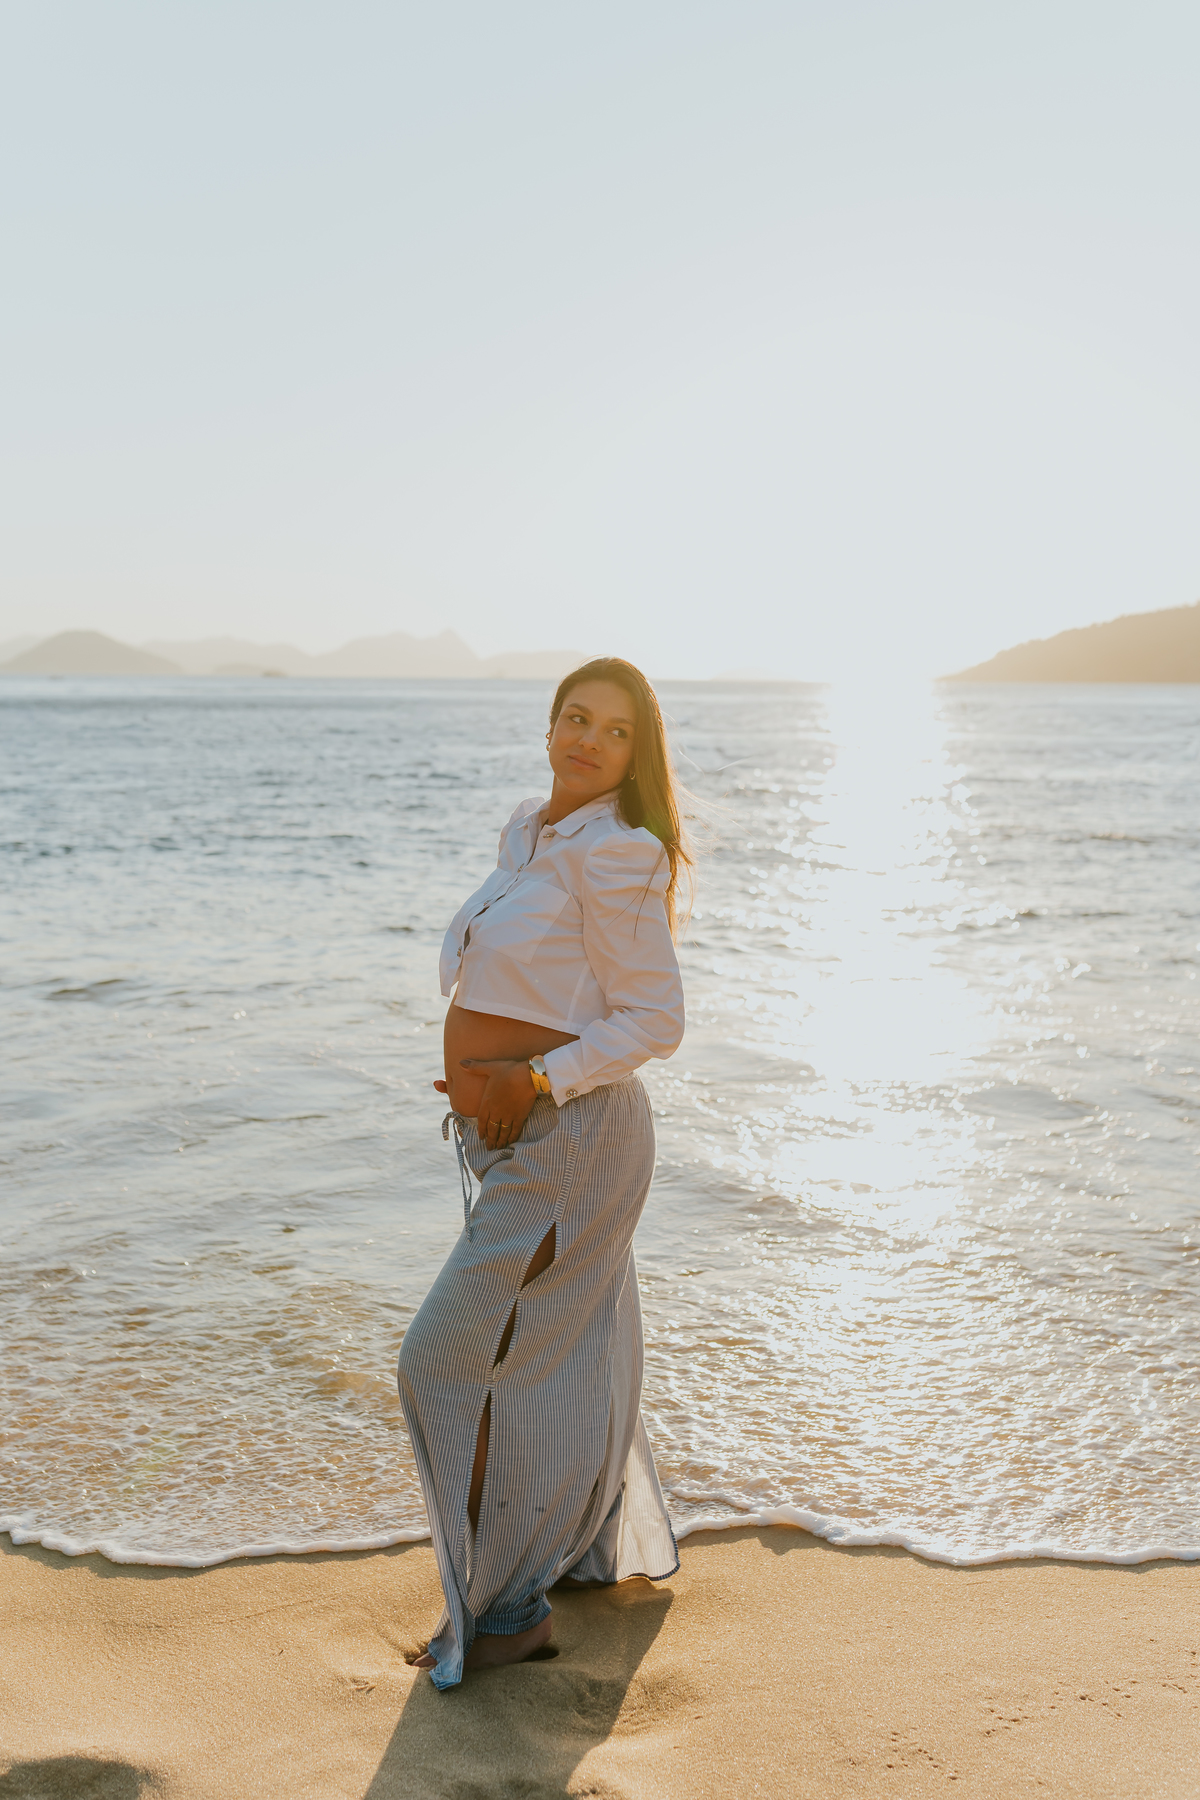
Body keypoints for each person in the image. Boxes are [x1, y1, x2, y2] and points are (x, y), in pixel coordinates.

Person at [397, 656, 691, 1689]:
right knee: (549, 1363)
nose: (587, 740)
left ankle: (508, 1608)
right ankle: (565, 1561)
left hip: (574, 1144)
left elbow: (656, 1018)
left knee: (446, 1362)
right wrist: (482, 1084)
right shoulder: (532, 829)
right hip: (518, 1137)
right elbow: (528, 977)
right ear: (551, 723)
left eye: (614, 731)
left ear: (635, 754)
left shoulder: (621, 852)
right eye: (575, 716)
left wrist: (533, 1075)